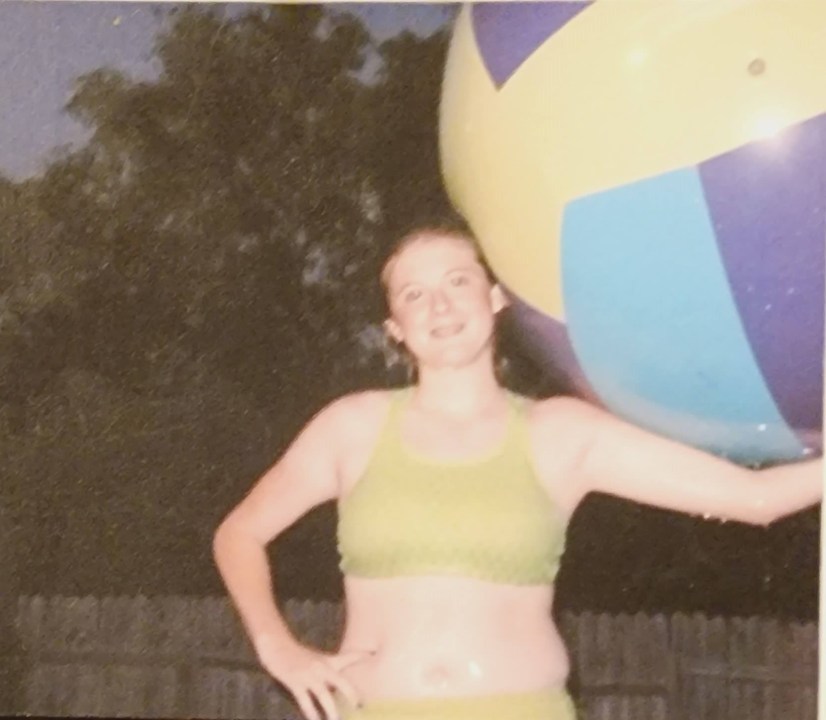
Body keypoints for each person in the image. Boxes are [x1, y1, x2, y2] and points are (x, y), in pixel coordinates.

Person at [213, 226, 822, 720]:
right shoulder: (351, 427)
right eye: (413, 293)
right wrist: (278, 648)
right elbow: (239, 534)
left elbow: (756, 496)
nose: (440, 304)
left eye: (458, 280)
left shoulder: (562, 433)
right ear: (394, 328)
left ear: (496, 297)